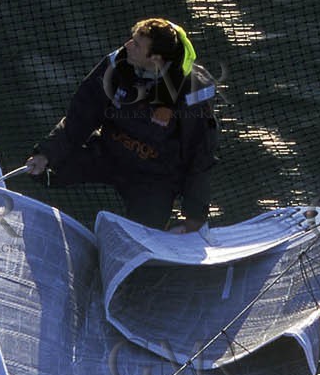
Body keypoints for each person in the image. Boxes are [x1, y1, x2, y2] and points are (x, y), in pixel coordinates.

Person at [24, 17, 218, 231]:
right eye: (131, 39)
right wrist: (45, 154)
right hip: (108, 152)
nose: (127, 45)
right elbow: (79, 119)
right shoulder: (116, 65)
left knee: (146, 233)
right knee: (45, 171)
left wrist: (195, 216)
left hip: (154, 176)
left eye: (136, 44)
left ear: (155, 59)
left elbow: (200, 156)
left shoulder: (192, 93)